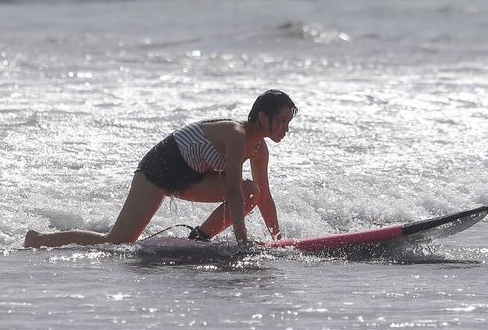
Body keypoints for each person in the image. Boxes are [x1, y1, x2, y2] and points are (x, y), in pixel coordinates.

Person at [24, 89, 297, 248]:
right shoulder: (236, 135)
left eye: (288, 122)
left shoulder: (260, 150)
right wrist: (242, 243)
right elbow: (233, 192)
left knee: (255, 190)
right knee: (117, 242)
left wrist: (278, 240)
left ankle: (199, 239)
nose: (286, 128)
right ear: (262, 116)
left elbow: (264, 198)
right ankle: (37, 240)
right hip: (159, 171)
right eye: (282, 121)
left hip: (193, 176)